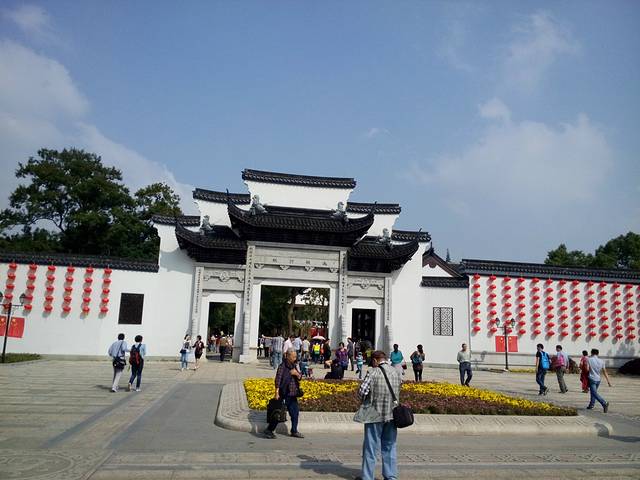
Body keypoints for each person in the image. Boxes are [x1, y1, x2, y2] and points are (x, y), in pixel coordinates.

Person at [356, 350, 402, 480]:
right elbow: (399, 388)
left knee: (370, 448)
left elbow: (362, 391)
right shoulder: (396, 372)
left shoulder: (373, 372)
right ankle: (390, 476)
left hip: (374, 415)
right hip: (392, 415)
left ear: (375, 360)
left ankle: (367, 477)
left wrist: (365, 400)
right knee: (390, 446)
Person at [263, 348, 304, 439]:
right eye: (293, 357)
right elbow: (278, 380)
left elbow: (300, 377)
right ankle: (269, 430)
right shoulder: (283, 366)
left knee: (295, 413)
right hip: (283, 393)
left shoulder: (295, 365)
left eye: (295, 356)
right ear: (288, 356)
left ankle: (294, 431)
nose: (295, 358)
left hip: (292, 394)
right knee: (278, 414)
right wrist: (276, 392)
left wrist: (296, 374)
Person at [585, 348, 612, 412]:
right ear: (598, 354)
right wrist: (608, 381)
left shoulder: (589, 359)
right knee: (593, 392)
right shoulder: (602, 361)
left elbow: (587, 369)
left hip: (592, 378)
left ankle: (604, 403)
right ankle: (591, 405)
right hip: (598, 379)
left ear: (591, 353)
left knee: (594, 393)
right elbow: (605, 372)